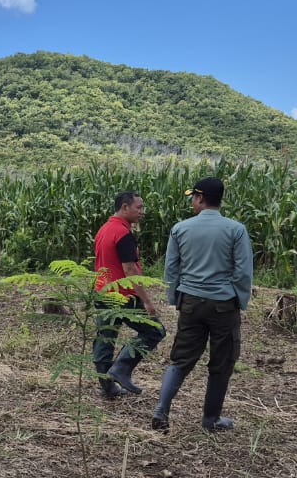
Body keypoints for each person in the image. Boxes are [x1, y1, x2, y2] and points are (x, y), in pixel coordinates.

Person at [152, 176, 254, 433]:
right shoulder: (236, 229)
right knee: (222, 363)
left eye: (193, 198)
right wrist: (239, 300)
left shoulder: (180, 229)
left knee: (181, 359)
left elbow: (171, 268)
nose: (192, 202)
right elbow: (243, 271)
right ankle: (211, 420)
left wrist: (174, 297)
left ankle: (161, 410)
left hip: (190, 302)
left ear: (199, 198)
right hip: (223, 304)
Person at [92, 191, 165, 398]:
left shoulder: (104, 229)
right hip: (122, 295)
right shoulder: (123, 234)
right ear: (125, 207)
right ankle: (121, 369)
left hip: (103, 292)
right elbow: (130, 270)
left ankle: (107, 388)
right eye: (138, 207)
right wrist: (147, 301)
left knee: (105, 337)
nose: (142, 212)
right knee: (155, 331)